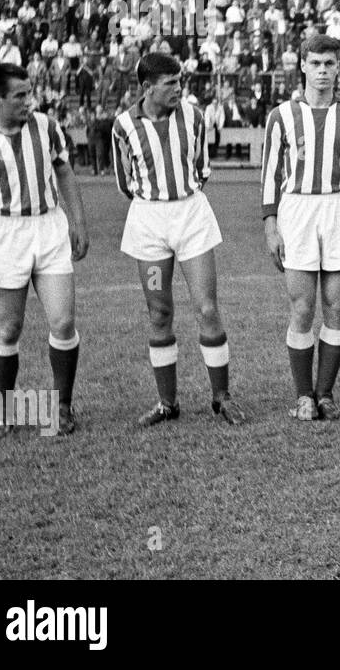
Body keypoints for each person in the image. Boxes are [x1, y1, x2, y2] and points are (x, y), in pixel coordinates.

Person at [113, 53, 245, 426]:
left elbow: (202, 170)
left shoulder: (195, 117)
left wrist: (179, 196)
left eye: (179, 82)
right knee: (159, 311)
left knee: (207, 307)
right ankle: (167, 403)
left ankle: (222, 397)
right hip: (149, 227)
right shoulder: (123, 125)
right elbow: (125, 182)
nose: (178, 89)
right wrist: (157, 201)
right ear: (146, 87)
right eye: (170, 84)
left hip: (191, 220)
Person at [0, 63, 89, 437]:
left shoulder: (45, 126)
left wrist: (77, 221)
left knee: (63, 321)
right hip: (7, 233)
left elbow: (64, 171)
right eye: (19, 96)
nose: (28, 102)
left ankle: (61, 407)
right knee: (9, 327)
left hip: (49, 227)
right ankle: (0, 411)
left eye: (29, 94)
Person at [261, 35, 340, 421]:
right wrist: (270, 225)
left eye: (330, 63)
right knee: (301, 306)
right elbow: (270, 174)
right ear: (304, 67)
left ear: (339, 68)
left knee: (336, 305)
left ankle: (325, 393)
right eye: (316, 63)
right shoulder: (280, 116)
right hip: (297, 210)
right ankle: (303, 396)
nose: (323, 70)